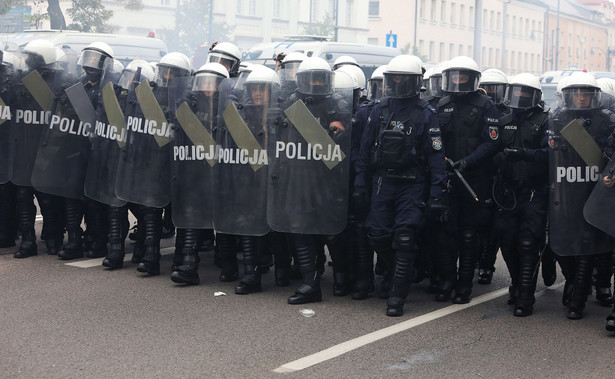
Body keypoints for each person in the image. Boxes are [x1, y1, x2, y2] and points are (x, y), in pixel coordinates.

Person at [354, 55, 447, 316]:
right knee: (377, 234)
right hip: (383, 181)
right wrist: (360, 183)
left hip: (412, 183)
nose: (399, 82)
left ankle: (397, 295)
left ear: (415, 81)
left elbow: (436, 156)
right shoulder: (379, 110)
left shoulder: (426, 114)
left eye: (405, 78)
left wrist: (438, 192)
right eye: (395, 77)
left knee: (404, 238)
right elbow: (364, 151)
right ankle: (401, 271)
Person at [434, 56, 501, 304]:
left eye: (463, 76)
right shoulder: (442, 104)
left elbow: (493, 141)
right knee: (445, 234)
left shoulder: (486, 105)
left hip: (475, 178)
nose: (459, 81)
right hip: (448, 178)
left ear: (472, 79)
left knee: (469, 234)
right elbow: (434, 140)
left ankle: (464, 286)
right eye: (455, 76)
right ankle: (447, 281)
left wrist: (469, 161)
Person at [548, 72, 614, 319]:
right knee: (563, 244)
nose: (581, 99)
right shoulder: (556, 119)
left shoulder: (607, 120)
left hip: (596, 191)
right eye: (577, 94)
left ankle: (578, 300)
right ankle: (573, 283)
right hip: (567, 192)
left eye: (586, 94)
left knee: (590, 245)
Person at [492, 73, 548, 316]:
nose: (520, 97)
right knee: (507, 242)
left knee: (527, 243)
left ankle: (526, 296)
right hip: (507, 191)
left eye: (526, 93)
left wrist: (523, 153)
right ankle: (516, 283)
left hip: (534, 190)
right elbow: (491, 149)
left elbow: (550, 154)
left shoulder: (545, 121)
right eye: (517, 93)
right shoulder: (503, 120)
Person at [475, 68, 510, 285]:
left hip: (503, 176)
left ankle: (487, 264)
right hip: (480, 172)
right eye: (486, 89)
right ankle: (479, 259)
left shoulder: (511, 113)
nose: (490, 93)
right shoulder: (478, 110)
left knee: (495, 226)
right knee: (478, 222)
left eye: (495, 89)